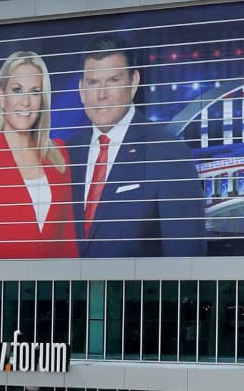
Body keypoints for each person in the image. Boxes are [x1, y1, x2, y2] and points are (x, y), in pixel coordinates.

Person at [71, 35, 206, 259]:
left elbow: (185, 256)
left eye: (113, 80)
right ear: (81, 89)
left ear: (133, 83)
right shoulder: (67, 153)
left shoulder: (168, 154)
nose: (101, 94)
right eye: (93, 83)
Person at [0, 50, 78, 259]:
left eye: (34, 92)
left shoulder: (58, 154)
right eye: (17, 90)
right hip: (5, 289)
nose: (25, 102)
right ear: (2, 97)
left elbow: (68, 241)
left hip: (58, 288)